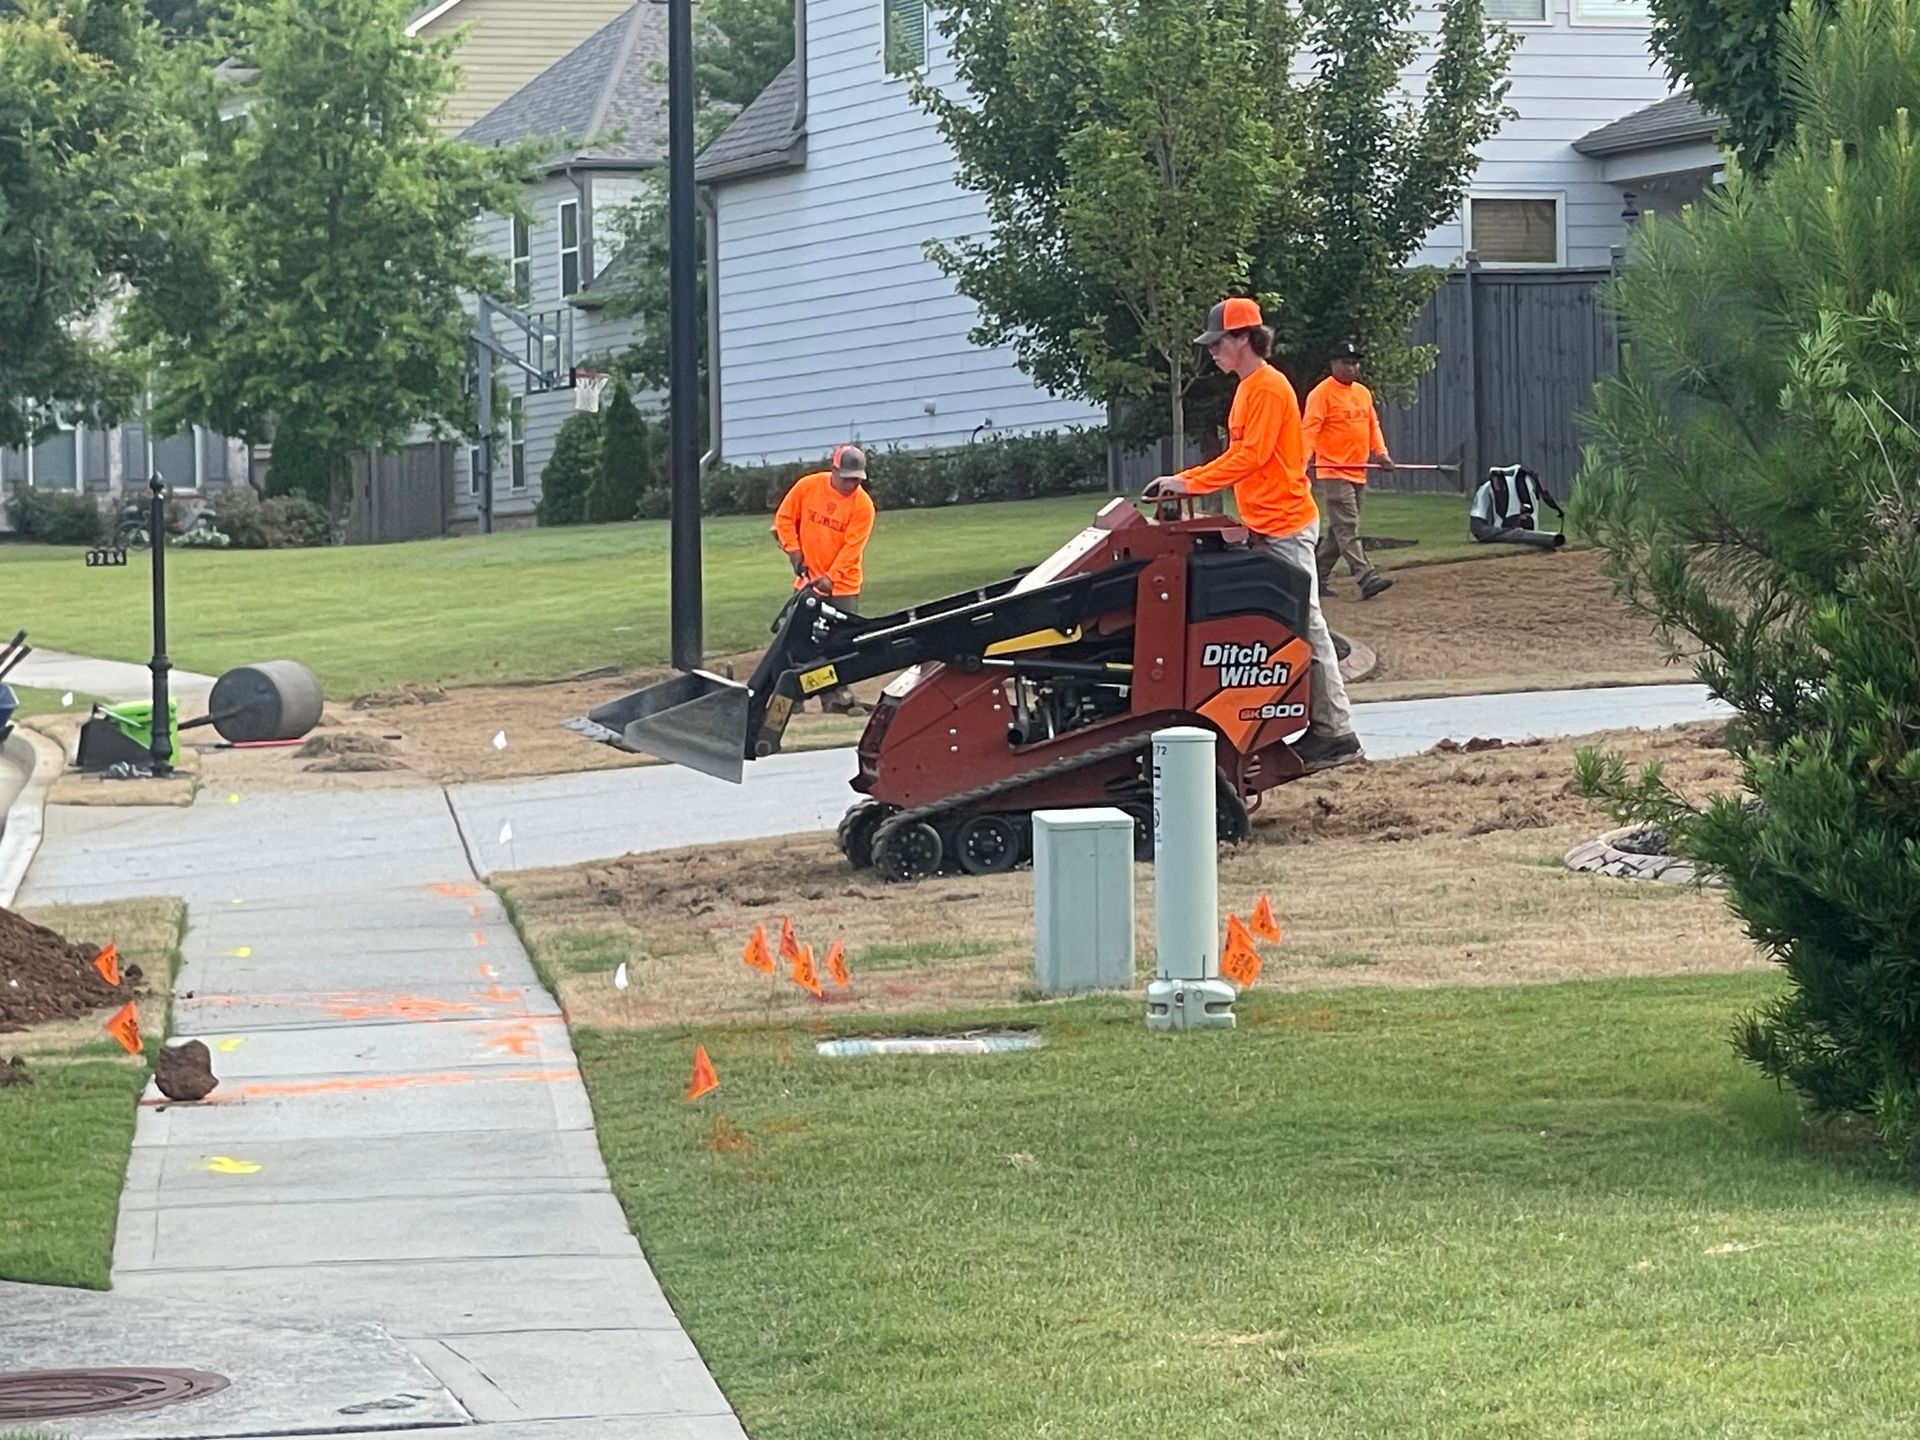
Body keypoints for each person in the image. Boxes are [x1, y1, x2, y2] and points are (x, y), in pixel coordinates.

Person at [1143, 297, 1362, 771]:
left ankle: (1336, 732)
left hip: (1286, 524)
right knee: (1288, 628)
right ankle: (1308, 724)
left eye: (1217, 343)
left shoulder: (1267, 388)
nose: (1213, 353)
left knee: (1304, 626)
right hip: (1267, 524)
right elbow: (1245, 457)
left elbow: (1252, 457)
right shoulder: (1247, 389)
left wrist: (1188, 481)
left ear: (1243, 338)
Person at [772, 444, 876, 713]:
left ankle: (837, 699)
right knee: (797, 640)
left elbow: (852, 548)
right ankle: (791, 699)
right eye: (848, 478)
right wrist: (794, 552)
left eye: (857, 479)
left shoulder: (863, 506)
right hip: (807, 583)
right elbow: (784, 519)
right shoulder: (808, 487)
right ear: (834, 470)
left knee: (839, 643)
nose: (852, 484)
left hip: (842, 586)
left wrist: (831, 578)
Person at [1304, 340, 1394, 600]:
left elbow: (1372, 426)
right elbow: (1309, 430)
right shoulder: (1321, 394)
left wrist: (1382, 453)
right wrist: (1302, 460)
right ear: (1333, 364)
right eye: (1346, 362)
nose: (1351, 368)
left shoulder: (1363, 393)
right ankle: (1366, 576)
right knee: (1348, 525)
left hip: (1359, 470)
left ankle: (1315, 579)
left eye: (1354, 363)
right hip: (1334, 472)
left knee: (1338, 531)